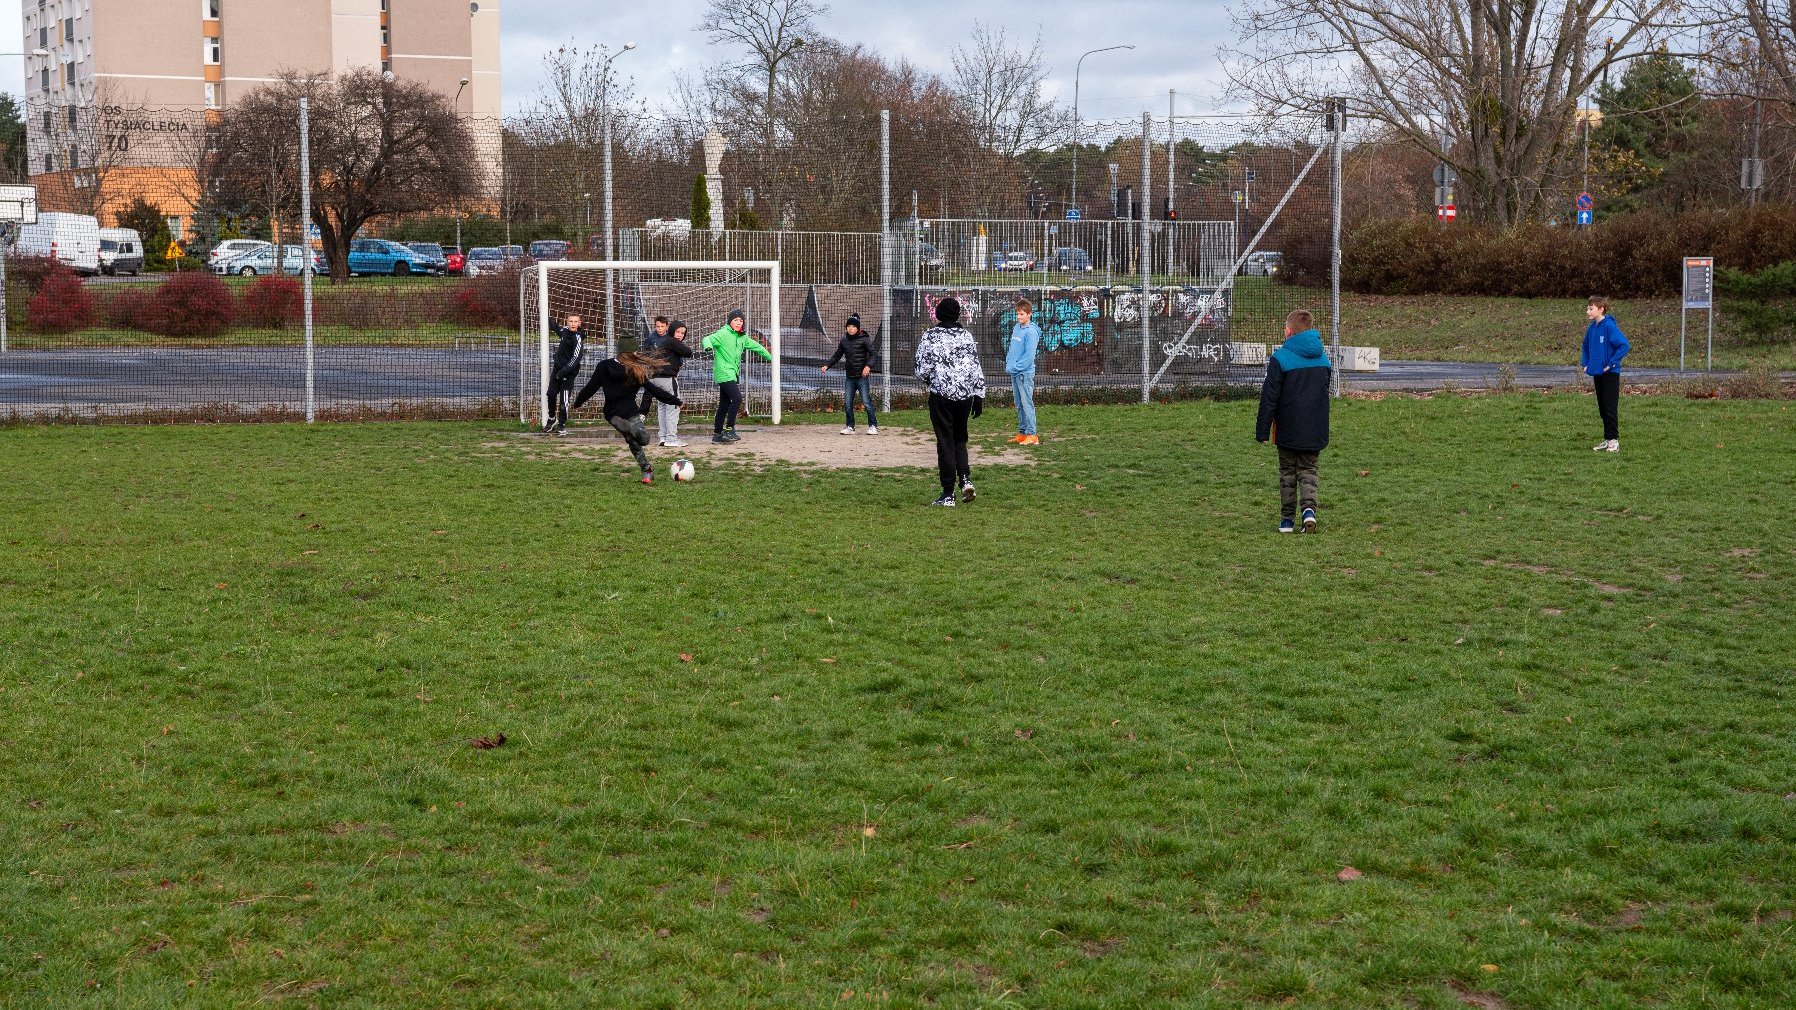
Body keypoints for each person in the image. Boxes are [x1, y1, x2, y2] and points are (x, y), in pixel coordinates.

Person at [1255, 308, 1331, 533]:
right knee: (1309, 469)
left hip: (1287, 428)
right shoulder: (1323, 358)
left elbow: (1269, 397)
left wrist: (1262, 430)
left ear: (1288, 331)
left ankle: (1287, 520)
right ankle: (1309, 511)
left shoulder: (1280, 358)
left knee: (1287, 471)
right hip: (1315, 428)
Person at [913, 296, 986, 507]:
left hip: (941, 395)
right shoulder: (966, 335)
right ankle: (965, 479)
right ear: (957, 314)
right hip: (966, 396)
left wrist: (931, 379)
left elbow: (921, 369)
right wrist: (979, 395)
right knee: (960, 438)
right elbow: (975, 367)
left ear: (938, 314)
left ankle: (947, 493)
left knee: (945, 441)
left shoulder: (930, 337)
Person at [571, 350, 681, 484]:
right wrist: (677, 401)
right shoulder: (635, 370)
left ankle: (647, 471)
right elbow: (655, 391)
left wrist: (578, 402)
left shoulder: (603, 366)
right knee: (644, 440)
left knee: (632, 441)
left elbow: (591, 387)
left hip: (612, 413)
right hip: (630, 412)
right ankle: (638, 436)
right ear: (631, 352)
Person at [702, 309, 772, 444]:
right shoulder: (723, 333)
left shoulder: (742, 337)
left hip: (732, 374)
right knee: (737, 398)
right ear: (730, 322)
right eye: (735, 320)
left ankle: (717, 435)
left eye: (740, 320)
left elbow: (757, 346)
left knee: (724, 404)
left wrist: (771, 357)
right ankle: (729, 429)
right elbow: (707, 339)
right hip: (723, 372)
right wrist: (708, 346)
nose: (738, 322)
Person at [1582, 296, 1630, 452]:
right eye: (1588, 308)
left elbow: (1624, 345)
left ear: (1601, 309)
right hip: (1598, 373)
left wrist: (1611, 363)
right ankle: (1608, 438)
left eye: (1591, 308)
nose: (1588, 311)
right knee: (1602, 407)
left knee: (1610, 407)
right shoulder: (1592, 328)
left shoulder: (1609, 327)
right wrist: (1586, 363)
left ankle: (1614, 441)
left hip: (1610, 374)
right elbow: (1585, 345)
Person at [821, 312, 878, 434]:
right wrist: (827, 365)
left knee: (867, 402)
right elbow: (837, 355)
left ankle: (873, 426)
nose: (851, 328)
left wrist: (868, 366)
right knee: (847, 403)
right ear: (846, 327)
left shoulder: (864, 339)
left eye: (853, 326)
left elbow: (873, 354)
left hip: (862, 377)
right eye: (849, 326)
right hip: (850, 377)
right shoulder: (844, 340)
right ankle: (850, 427)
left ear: (858, 328)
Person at [645, 319, 695, 447]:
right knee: (673, 407)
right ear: (672, 330)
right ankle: (671, 439)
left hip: (655, 378)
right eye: (677, 332)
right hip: (667, 378)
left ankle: (663, 437)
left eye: (683, 333)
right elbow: (688, 352)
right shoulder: (671, 341)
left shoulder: (664, 341)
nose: (680, 335)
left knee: (662, 407)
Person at [1004, 298, 1041, 445]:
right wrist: (1009, 363)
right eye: (1017, 314)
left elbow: (1029, 356)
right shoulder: (1016, 328)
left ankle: (1032, 435)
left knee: (1027, 404)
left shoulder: (1031, 332)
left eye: (1021, 314)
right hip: (1014, 372)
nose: (1019, 317)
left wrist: (1014, 367)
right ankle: (1023, 432)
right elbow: (1013, 349)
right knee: (1019, 404)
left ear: (1029, 314)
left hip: (1024, 374)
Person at [543, 313, 586, 435]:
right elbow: (557, 329)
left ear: (579, 323)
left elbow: (575, 359)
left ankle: (561, 424)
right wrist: (547, 318)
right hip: (557, 369)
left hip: (568, 372)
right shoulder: (565, 331)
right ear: (567, 322)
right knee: (551, 394)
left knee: (564, 400)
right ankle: (551, 418)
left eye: (575, 321)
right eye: (571, 321)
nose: (573, 324)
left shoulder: (578, 338)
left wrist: (563, 372)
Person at [636, 316, 672, 417]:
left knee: (667, 394)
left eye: (662, 326)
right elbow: (646, 354)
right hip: (654, 371)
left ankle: (668, 415)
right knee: (648, 392)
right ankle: (642, 414)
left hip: (667, 371)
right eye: (657, 326)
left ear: (666, 326)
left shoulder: (670, 338)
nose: (659, 328)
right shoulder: (651, 338)